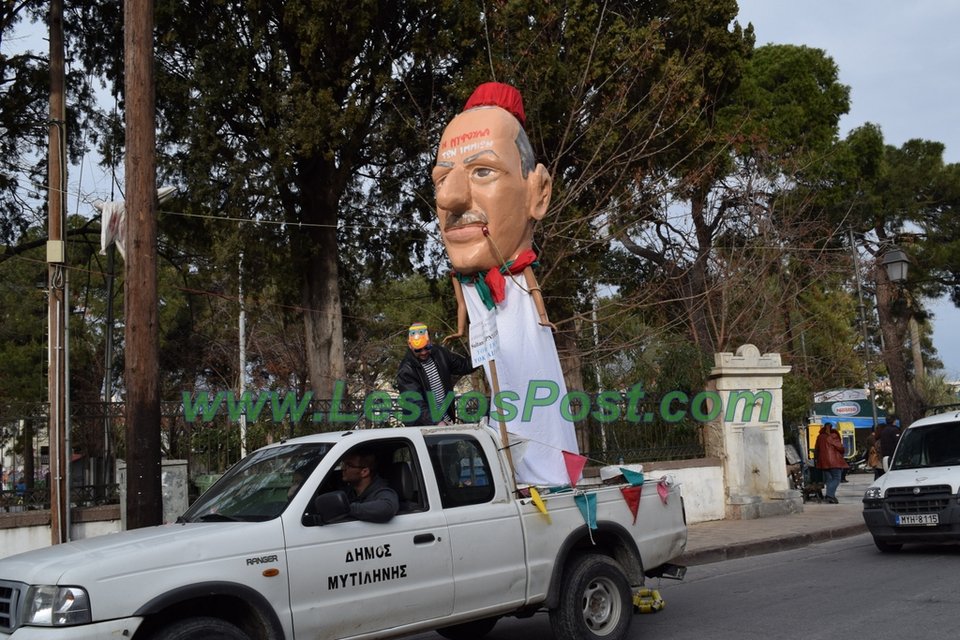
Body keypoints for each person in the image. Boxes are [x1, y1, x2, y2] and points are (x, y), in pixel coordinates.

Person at [432, 82, 580, 486]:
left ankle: (546, 470)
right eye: (443, 179)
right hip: (495, 360)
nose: (451, 199)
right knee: (505, 394)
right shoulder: (466, 284)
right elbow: (464, 302)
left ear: (539, 193)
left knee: (533, 396)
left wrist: (543, 316)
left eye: (483, 171)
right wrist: (459, 326)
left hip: (524, 333)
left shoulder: (517, 280)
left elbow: (531, 289)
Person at [395, 322, 474, 425]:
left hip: (446, 421)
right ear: (410, 345)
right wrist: (436, 421)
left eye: (426, 347)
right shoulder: (406, 371)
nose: (423, 352)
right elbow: (415, 404)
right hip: (423, 426)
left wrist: (482, 356)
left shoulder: (440, 353)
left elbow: (464, 366)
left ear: (430, 341)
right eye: (418, 350)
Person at [340, 450, 398, 523]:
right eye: (344, 464)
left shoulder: (383, 492)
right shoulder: (350, 491)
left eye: (349, 465)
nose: (343, 468)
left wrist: (345, 509)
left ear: (365, 472)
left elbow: (387, 509)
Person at [814, 422, 848, 503]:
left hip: (823, 462)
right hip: (834, 461)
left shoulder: (820, 437)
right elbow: (840, 448)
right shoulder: (833, 436)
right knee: (837, 478)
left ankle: (831, 496)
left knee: (829, 480)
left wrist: (817, 459)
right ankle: (829, 495)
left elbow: (816, 450)